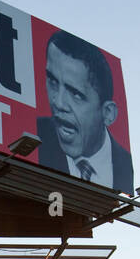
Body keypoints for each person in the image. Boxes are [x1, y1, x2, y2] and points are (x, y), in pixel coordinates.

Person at [36, 30, 134, 194]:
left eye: (76, 94)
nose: (58, 103)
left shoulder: (123, 165)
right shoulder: (33, 139)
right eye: (52, 81)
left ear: (108, 113)